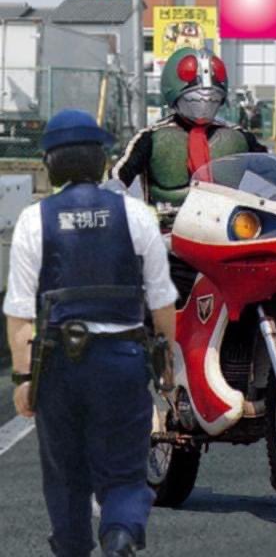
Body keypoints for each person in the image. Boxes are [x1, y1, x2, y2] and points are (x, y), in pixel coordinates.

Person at [4, 109, 178, 556]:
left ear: (51, 164)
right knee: (124, 469)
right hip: (122, 359)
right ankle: (119, 532)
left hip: (58, 363)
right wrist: (167, 365)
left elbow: (20, 313)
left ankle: (72, 545)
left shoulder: (34, 220)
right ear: (102, 160)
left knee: (65, 474)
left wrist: (23, 380)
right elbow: (162, 301)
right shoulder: (136, 216)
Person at [111, 47, 267, 210]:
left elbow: (273, 169)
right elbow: (118, 175)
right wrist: (117, 198)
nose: (204, 102)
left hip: (227, 220)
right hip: (167, 222)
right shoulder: (151, 137)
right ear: (175, 96)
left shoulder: (238, 136)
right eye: (194, 99)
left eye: (212, 98)